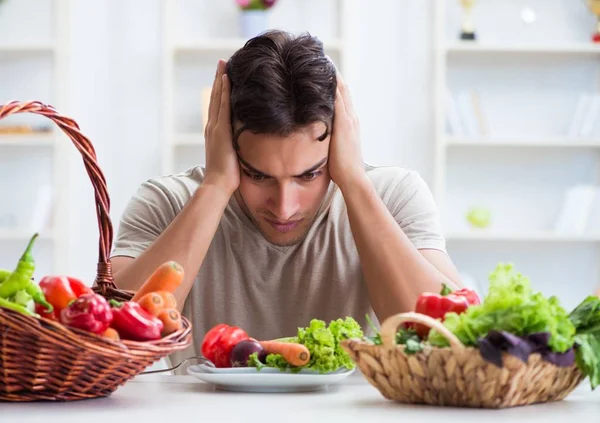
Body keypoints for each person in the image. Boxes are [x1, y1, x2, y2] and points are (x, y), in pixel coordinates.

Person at [109, 30, 462, 370]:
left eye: (309, 174)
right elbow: (108, 340)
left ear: (342, 137)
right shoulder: (166, 202)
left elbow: (450, 341)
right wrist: (216, 184)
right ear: (223, 141)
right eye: (258, 175)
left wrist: (354, 182)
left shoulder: (394, 195)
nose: (284, 207)